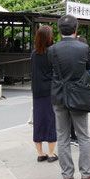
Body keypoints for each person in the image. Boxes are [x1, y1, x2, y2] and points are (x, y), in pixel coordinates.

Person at [48, 15, 90, 179]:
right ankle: (86, 174)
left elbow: (51, 70)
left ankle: (67, 174)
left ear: (59, 30)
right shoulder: (83, 49)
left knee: (62, 136)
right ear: (76, 29)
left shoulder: (52, 49)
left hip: (59, 95)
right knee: (83, 136)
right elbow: (88, 68)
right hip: (78, 95)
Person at [31, 25, 58, 163]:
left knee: (39, 121)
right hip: (49, 91)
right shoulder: (52, 53)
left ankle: (40, 153)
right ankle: (52, 153)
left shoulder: (34, 53)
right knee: (50, 120)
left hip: (36, 91)